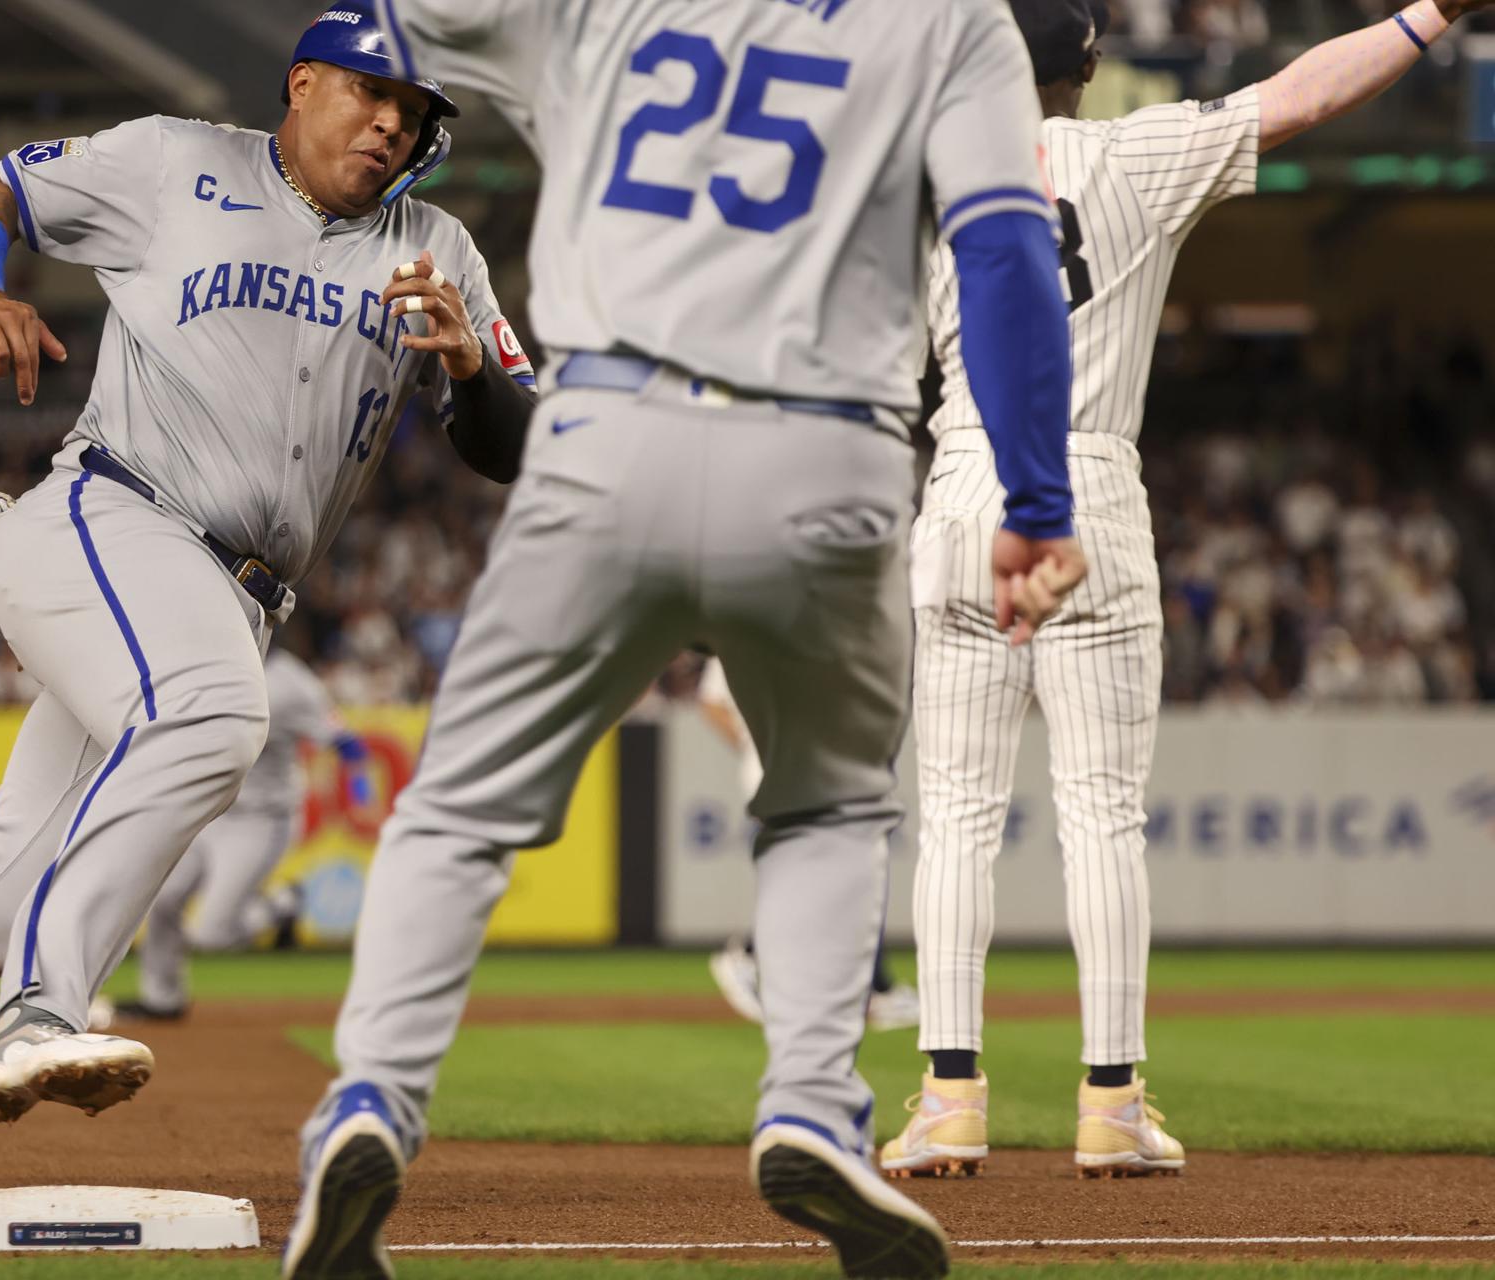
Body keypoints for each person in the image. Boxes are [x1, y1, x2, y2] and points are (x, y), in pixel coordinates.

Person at [282, 1, 1089, 1276]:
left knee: (459, 811)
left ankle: (371, 1097)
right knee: (826, 805)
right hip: (831, 450)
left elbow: (393, 19)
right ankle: (815, 1106)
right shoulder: (953, 20)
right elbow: (1003, 254)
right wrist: (1038, 499)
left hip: (609, 430)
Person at [0, 0, 537, 1152]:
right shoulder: (175, 161)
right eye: (370, 92)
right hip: (108, 515)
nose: (389, 124)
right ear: (303, 84)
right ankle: (37, 1009)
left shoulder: (440, 251)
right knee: (217, 714)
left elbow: (514, 444)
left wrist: (472, 369)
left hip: (225, 596)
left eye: (413, 112)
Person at [889, 0, 1494, 1182]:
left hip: (961, 471)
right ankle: (1110, 1101)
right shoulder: (1136, 149)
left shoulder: (919, 176)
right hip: (1093, 483)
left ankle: (949, 1095)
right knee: (1102, 814)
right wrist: (1432, 14)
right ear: (1093, 67)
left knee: (955, 811)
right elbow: (1308, 91)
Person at [98, 646, 370, 1025]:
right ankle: (162, 999)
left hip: (260, 822)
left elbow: (349, 745)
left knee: (212, 934)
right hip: (211, 811)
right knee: (163, 901)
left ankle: (284, 903)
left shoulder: (292, 684)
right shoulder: (205, 658)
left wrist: (361, 792)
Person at [697, 658, 919, 1033]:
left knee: (836, 879)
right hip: (791, 776)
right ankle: (752, 954)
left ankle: (872, 986)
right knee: (830, 877)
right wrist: (755, 746)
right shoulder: (750, 621)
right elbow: (711, 703)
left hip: (821, 774)